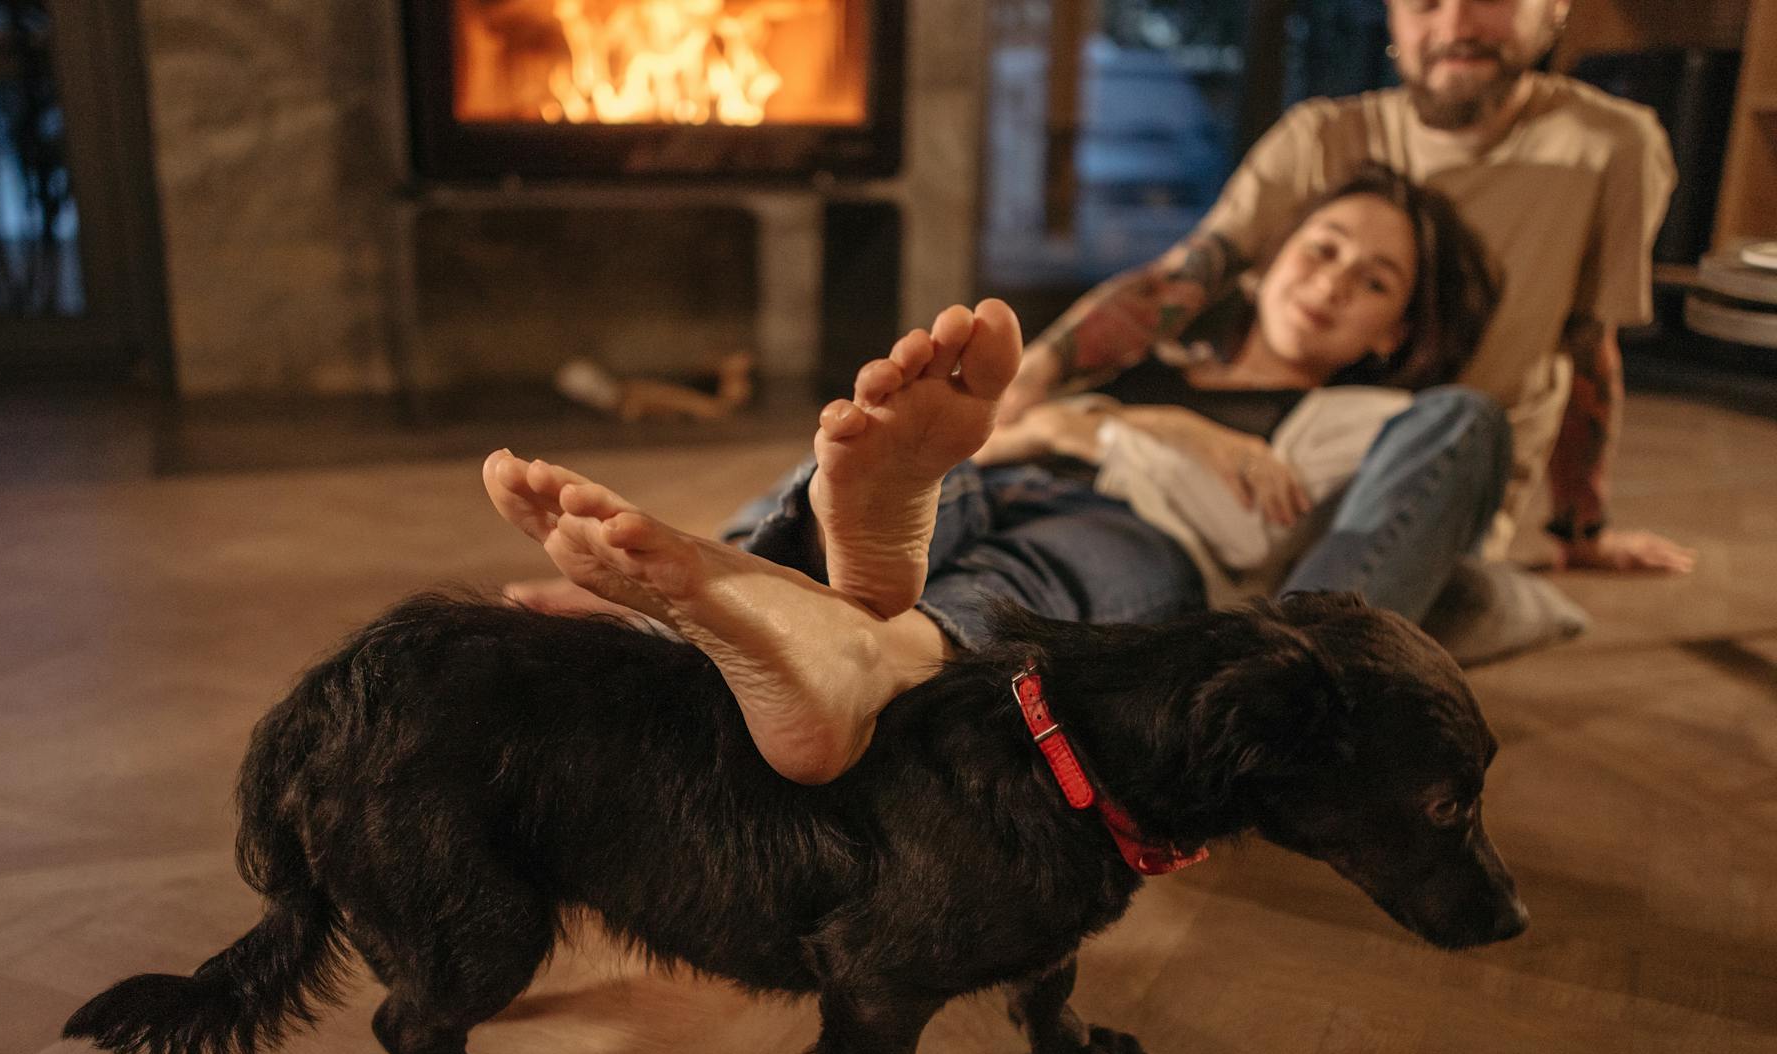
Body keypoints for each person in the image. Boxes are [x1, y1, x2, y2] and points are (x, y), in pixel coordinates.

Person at [484, 163, 1497, 783]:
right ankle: (812, 593)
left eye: (1374, 284)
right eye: (1322, 250)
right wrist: (1137, 424)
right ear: (1271, 257)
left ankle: (804, 627)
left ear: (1391, 333)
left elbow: (1403, 520)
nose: (1332, 286)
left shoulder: (1351, 424)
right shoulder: (1144, 355)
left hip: (1137, 534)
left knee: (1037, 575)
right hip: (1001, 467)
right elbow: (1006, 422)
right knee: (944, 478)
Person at [992, 0, 1695, 590]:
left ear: (1554, 9)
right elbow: (1176, 282)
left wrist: (1581, 526)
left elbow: (1587, 345)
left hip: (1438, 488)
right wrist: (1031, 383)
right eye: (1424, 1)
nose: (1454, 22)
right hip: (1283, 459)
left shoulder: (1611, 146)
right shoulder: (1321, 137)